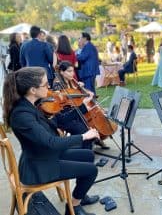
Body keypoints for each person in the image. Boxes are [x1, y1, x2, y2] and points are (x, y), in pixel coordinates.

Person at [2, 67, 101, 215]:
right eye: (44, 84)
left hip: (44, 155)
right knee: (91, 170)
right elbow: (51, 142)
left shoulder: (29, 105)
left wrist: (83, 106)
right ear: (33, 90)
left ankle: (79, 197)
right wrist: (84, 136)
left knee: (88, 156)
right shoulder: (21, 115)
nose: (48, 87)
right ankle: (73, 208)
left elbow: (56, 121)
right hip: (39, 167)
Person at [52, 61, 109, 150]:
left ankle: (95, 139)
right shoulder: (57, 85)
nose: (72, 74)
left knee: (91, 123)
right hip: (67, 116)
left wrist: (81, 89)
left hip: (76, 112)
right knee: (84, 129)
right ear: (62, 72)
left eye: (73, 71)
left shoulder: (72, 82)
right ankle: (85, 150)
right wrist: (80, 96)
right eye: (69, 71)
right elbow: (64, 103)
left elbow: (78, 98)